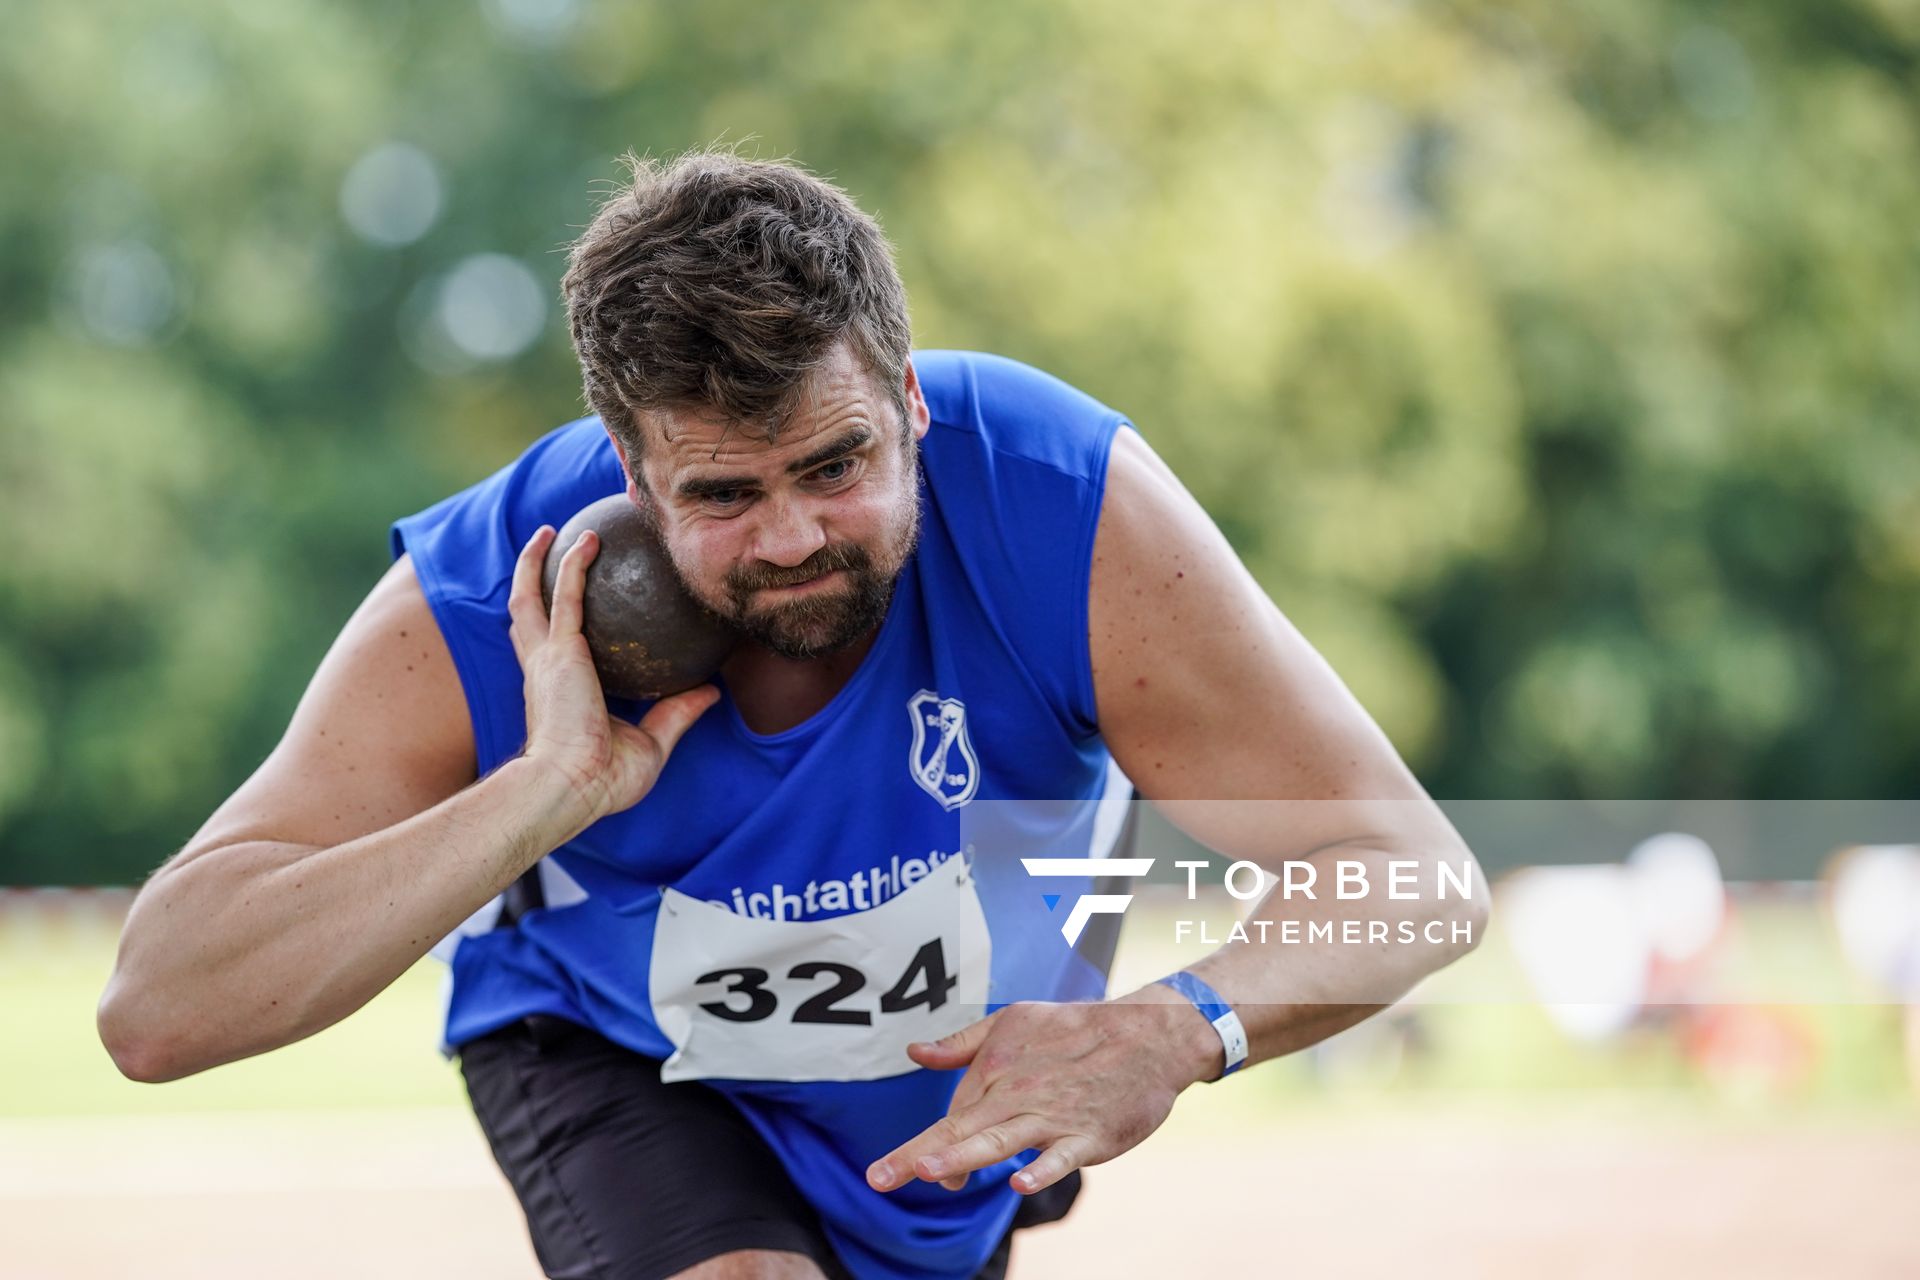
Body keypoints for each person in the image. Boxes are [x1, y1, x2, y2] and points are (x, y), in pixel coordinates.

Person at [98, 149, 1489, 1280]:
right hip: (624, 1063)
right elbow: (158, 1009)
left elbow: (1415, 879)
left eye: (836, 465)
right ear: (629, 468)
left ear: (911, 400)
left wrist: (1177, 1028)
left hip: (956, 1115)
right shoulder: (495, 587)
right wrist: (545, 786)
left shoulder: (1064, 505)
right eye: (721, 494)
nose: (792, 538)